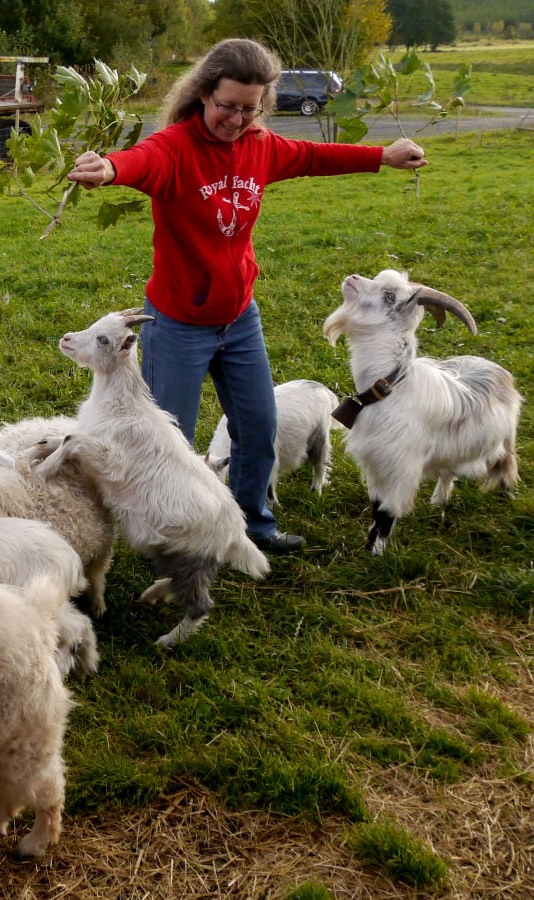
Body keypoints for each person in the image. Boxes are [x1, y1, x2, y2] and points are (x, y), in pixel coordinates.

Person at [67, 38, 427, 553]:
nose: (236, 119)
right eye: (226, 106)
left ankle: (253, 525)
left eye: (249, 109)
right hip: (178, 325)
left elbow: (312, 156)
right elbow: (139, 160)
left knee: (259, 429)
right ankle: (173, 538)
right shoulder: (175, 147)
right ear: (203, 96)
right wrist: (109, 168)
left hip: (239, 320)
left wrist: (383, 157)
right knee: (170, 441)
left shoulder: (260, 145)